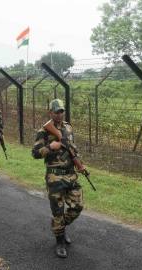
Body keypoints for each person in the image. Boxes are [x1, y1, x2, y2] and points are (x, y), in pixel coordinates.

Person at [31, 99, 84, 258]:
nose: (60, 114)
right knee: (58, 210)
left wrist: (80, 164)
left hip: (71, 174)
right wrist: (49, 147)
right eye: (56, 112)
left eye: (62, 111)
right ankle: (59, 241)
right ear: (50, 112)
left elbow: (72, 148)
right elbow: (34, 153)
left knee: (77, 207)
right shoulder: (44, 131)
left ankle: (59, 226)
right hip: (55, 176)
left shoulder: (68, 127)